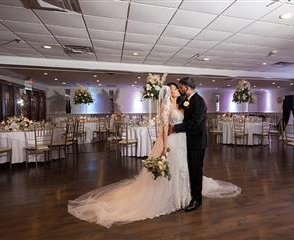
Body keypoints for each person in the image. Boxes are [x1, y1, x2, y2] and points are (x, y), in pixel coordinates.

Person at [68, 83, 240, 228]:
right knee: (173, 168)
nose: (175, 90)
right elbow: (164, 128)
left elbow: (191, 122)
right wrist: (164, 146)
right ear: (168, 92)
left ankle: (185, 195)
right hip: (173, 141)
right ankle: (173, 197)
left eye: (177, 88)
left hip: (184, 142)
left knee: (184, 168)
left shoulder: (183, 104)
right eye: (173, 88)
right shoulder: (166, 106)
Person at [170, 77, 207, 212]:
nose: (179, 89)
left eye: (181, 87)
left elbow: (195, 124)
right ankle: (190, 194)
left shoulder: (199, 102)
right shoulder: (188, 99)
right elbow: (182, 104)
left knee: (196, 172)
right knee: (190, 170)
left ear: (187, 87)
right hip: (187, 142)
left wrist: (176, 128)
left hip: (197, 143)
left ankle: (197, 199)